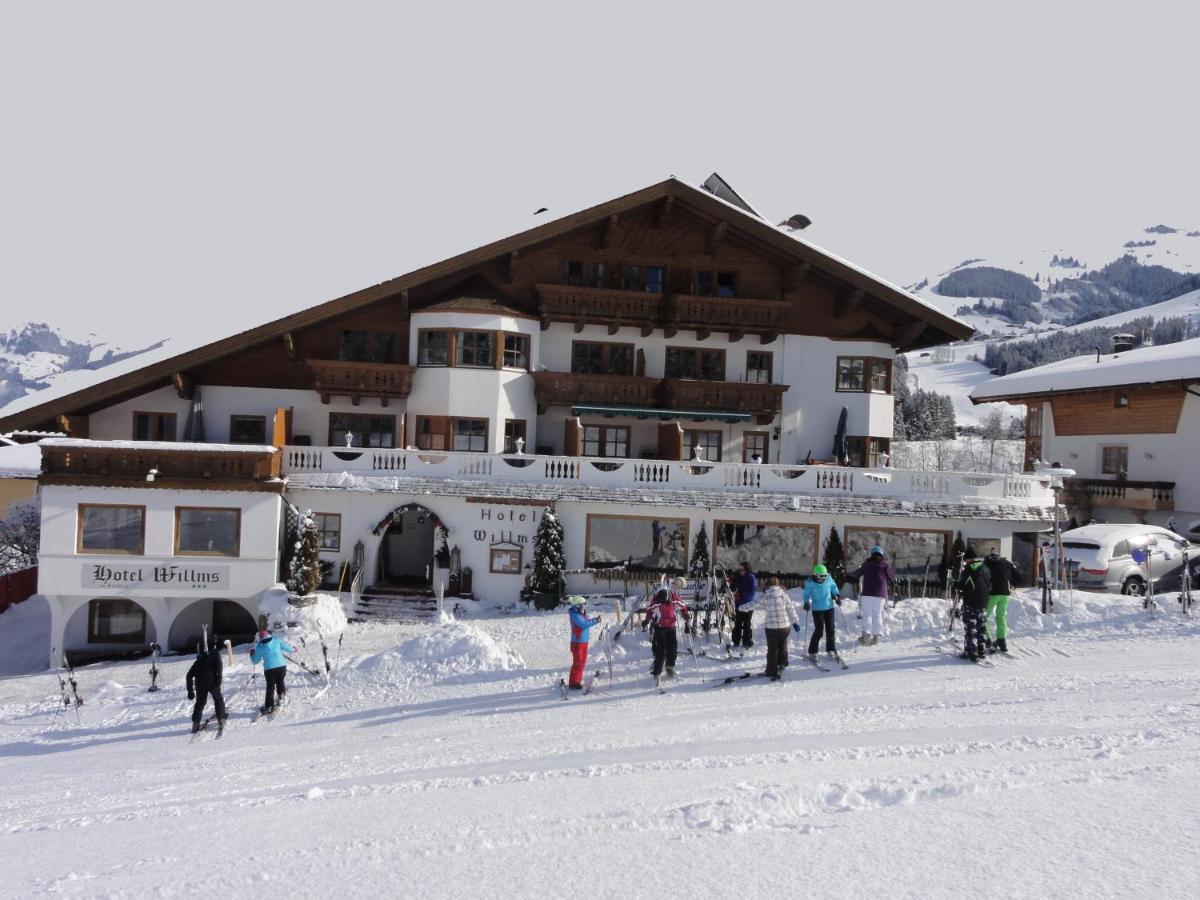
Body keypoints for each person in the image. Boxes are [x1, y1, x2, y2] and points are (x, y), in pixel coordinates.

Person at [743, 576, 800, 681]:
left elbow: (753, 605)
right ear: (778, 584)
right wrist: (796, 622)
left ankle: (771, 670)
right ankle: (783, 663)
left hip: (771, 627)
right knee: (783, 645)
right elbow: (791, 608)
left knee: (772, 649)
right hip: (785, 627)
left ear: (768, 585)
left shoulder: (765, 595)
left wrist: (742, 608)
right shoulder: (783, 594)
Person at [848, 546, 896, 645]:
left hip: (867, 593)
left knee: (867, 614)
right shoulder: (885, 565)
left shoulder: (866, 564)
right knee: (878, 614)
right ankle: (876, 637)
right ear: (881, 554)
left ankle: (866, 636)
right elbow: (891, 578)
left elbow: (856, 574)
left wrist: (854, 571)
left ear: (872, 554)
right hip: (880, 594)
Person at [646, 579, 689, 684]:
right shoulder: (656, 600)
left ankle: (670, 667)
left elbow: (682, 606)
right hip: (659, 627)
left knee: (673, 649)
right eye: (662, 603)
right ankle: (657, 672)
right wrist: (646, 621)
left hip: (671, 627)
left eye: (666, 602)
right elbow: (650, 611)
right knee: (661, 651)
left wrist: (685, 614)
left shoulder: (674, 597)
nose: (664, 604)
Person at [957, 548, 992, 661]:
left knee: (970, 628)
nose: (965, 562)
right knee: (981, 627)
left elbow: (963, 586)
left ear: (968, 559)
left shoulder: (968, 570)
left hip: (970, 602)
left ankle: (970, 651)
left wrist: (956, 585)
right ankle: (981, 650)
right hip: (983, 603)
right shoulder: (986, 569)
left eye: (965, 560)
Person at [802, 563, 841, 661]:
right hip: (817, 609)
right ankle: (813, 651)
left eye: (824, 575)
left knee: (830, 629)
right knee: (819, 630)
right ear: (815, 575)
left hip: (829, 607)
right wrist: (806, 602)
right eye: (821, 576)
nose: (823, 578)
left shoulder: (829, 579)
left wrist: (836, 596)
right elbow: (806, 594)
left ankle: (831, 649)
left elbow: (833, 587)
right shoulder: (810, 582)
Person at [250, 628, 295, 713]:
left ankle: (269, 706)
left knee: (270, 687)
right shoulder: (276, 641)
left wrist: (252, 654)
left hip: (269, 670)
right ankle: (281, 695)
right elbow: (288, 648)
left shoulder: (259, 647)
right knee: (280, 680)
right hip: (281, 667)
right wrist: (294, 649)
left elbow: (255, 661)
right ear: (269, 635)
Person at [983, 550, 1020, 654]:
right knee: (1001, 617)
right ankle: (1002, 640)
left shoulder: (986, 563)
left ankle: (987, 640)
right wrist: (1013, 583)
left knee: (984, 616)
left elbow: (982, 577)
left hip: (992, 593)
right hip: (1005, 594)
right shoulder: (1007, 563)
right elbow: (1017, 575)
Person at [186, 639, 226, 734]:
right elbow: (219, 668)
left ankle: (195, 725)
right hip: (213, 683)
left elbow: (189, 676)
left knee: (200, 703)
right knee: (218, 699)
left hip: (200, 684)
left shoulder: (198, 661)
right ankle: (221, 719)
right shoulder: (215, 655)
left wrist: (190, 691)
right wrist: (218, 680)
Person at [566, 596, 601, 690]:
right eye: (583, 605)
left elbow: (586, 620)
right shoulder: (574, 614)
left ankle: (577, 680)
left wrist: (586, 615)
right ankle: (573, 683)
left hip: (583, 642)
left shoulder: (579, 614)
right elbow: (583, 624)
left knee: (582, 662)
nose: (584, 607)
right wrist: (596, 621)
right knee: (578, 662)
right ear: (578, 605)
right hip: (577, 643)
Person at [730, 561, 758, 650]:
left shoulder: (751, 578)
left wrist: (742, 595)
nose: (740, 571)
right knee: (737, 623)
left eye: (742, 569)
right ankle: (736, 641)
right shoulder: (740, 577)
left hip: (748, 604)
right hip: (739, 604)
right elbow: (733, 588)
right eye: (739, 569)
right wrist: (733, 582)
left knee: (746, 624)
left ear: (747, 569)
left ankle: (747, 642)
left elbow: (751, 592)